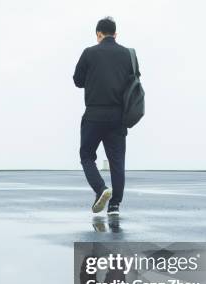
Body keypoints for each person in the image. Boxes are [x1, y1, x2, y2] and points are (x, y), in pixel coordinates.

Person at [73, 17, 141, 216]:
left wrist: (93, 78)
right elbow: (134, 81)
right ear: (116, 34)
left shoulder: (89, 53)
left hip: (93, 113)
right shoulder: (127, 55)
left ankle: (101, 189)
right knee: (117, 161)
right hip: (118, 116)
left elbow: (77, 81)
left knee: (86, 156)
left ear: (98, 35)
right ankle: (114, 206)